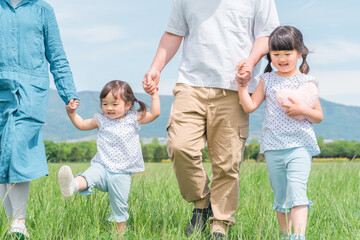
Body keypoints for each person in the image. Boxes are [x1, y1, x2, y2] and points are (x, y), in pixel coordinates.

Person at [143, 0, 279, 238]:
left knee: (227, 162)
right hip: (190, 84)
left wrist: (251, 61)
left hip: (233, 86)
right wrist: (156, 67)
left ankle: (220, 224)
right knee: (180, 145)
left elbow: (266, 35)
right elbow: (173, 33)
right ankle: (201, 203)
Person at [0, 0, 78, 238]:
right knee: (4, 155)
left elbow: (57, 55)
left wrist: (68, 91)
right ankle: (14, 226)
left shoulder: (43, 10)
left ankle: (18, 222)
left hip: (31, 90)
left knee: (18, 148)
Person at [237, 26, 323, 240]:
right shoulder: (267, 80)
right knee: (281, 194)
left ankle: (298, 237)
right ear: (270, 56)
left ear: (299, 53)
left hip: (300, 145)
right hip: (273, 146)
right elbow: (249, 106)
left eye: (287, 54)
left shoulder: (307, 82)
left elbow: (318, 116)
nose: (282, 59)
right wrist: (241, 86)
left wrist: (302, 110)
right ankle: (285, 235)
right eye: (276, 54)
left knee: (297, 190)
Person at [58, 80, 160, 237]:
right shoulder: (101, 119)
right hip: (102, 166)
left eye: (114, 104)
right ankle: (72, 185)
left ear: (128, 105)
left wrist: (154, 94)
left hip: (121, 173)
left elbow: (155, 113)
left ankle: (119, 235)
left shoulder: (134, 119)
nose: (109, 108)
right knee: (88, 176)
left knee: (119, 206)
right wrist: (71, 113)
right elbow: (82, 124)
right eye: (105, 104)